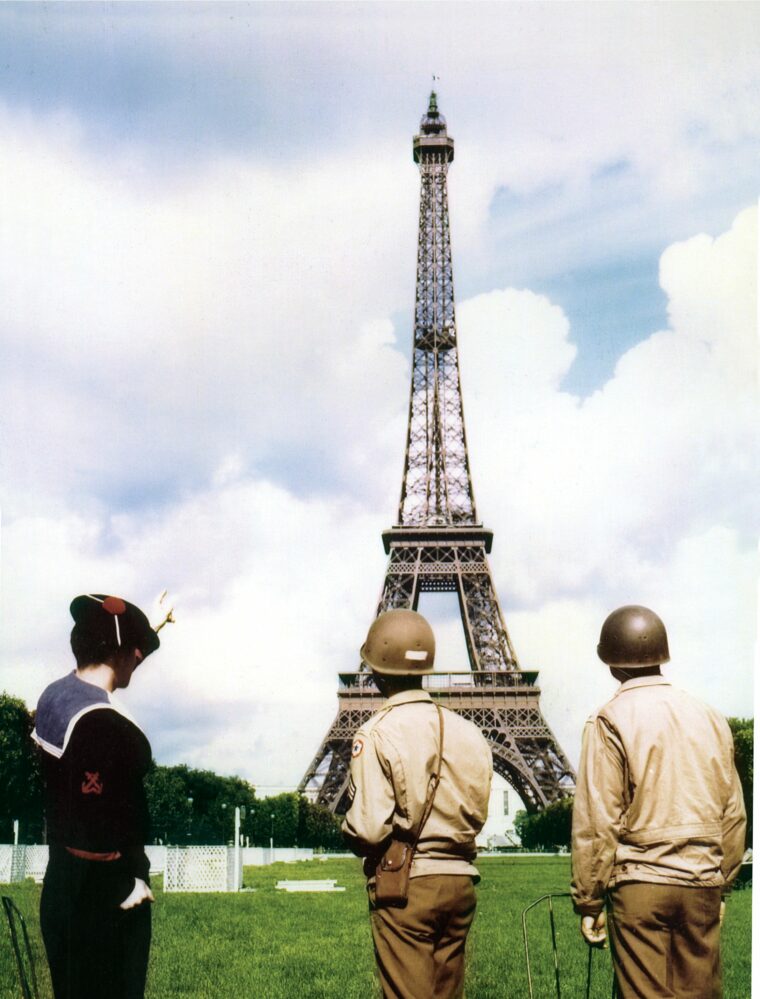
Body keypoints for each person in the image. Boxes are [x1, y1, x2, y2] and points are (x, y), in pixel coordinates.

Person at [571, 605, 746, 999]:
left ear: (611, 663)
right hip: (701, 883)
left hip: (640, 886)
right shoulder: (710, 717)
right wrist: (723, 883)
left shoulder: (610, 718)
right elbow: (733, 814)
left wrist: (588, 899)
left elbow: (598, 821)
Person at [342, 608, 492, 999]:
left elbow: (370, 828)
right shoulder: (468, 731)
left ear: (375, 670)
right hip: (460, 882)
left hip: (407, 886)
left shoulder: (376, 732)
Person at [33, 594, 161, 999]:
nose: (139, 659)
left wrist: (150, 628)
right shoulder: (108, 727)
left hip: (61, 890)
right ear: (124, 653)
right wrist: (127, 885)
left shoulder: (54, 697)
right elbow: (94, 832)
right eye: (137, 651)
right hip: (104, 903)